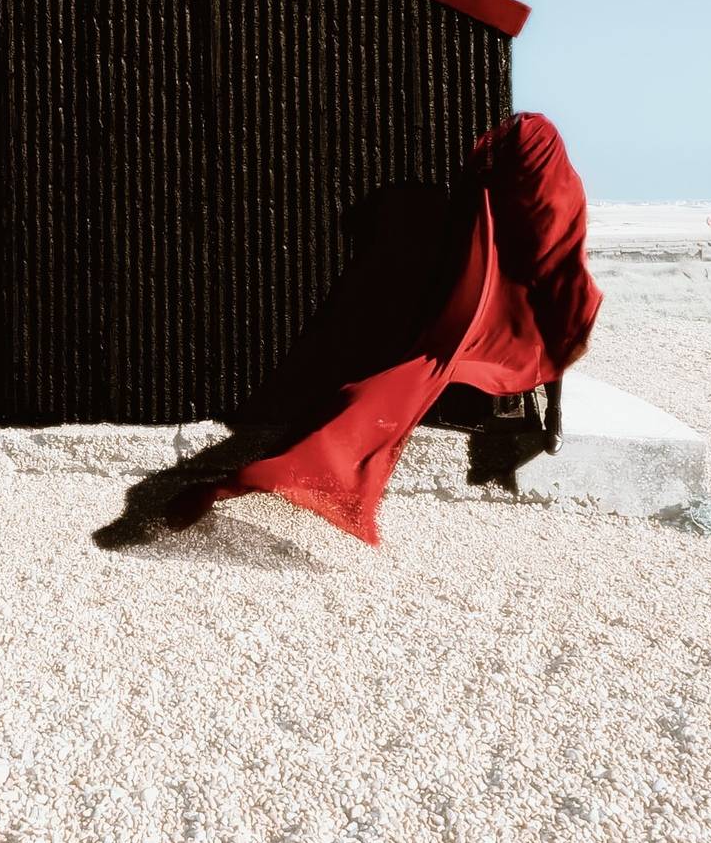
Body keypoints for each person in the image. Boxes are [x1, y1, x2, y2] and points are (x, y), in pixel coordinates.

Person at [160, 112, 603, 547]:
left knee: (441, 368)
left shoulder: (509, 186)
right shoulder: (554, 185)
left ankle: (547, 413)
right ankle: (552, 415)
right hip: (536, 299)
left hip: (514, 299)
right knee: (561, 329)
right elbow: (559, 241)